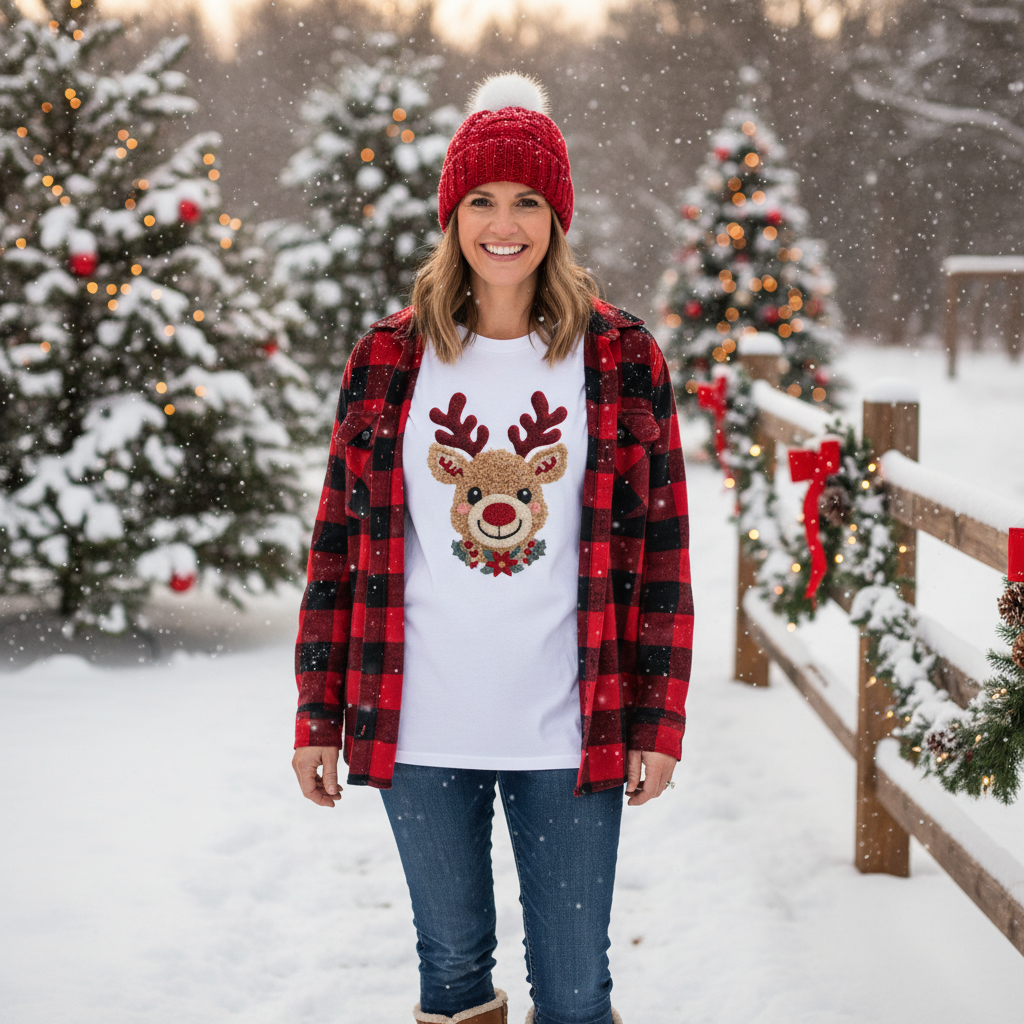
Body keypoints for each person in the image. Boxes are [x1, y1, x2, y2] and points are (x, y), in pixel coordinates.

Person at [292, 72, 693, 1024]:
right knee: (453, 971)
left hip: (571, 726)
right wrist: (317, 712)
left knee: (574, 986)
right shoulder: (389, 358)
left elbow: (666, 558)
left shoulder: (622, 356)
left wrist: (659, 719)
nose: (502, 223)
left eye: (527, 200)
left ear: (557, 216)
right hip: (418, 721)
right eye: (480, 199)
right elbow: (339, 545)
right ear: (451, 212)